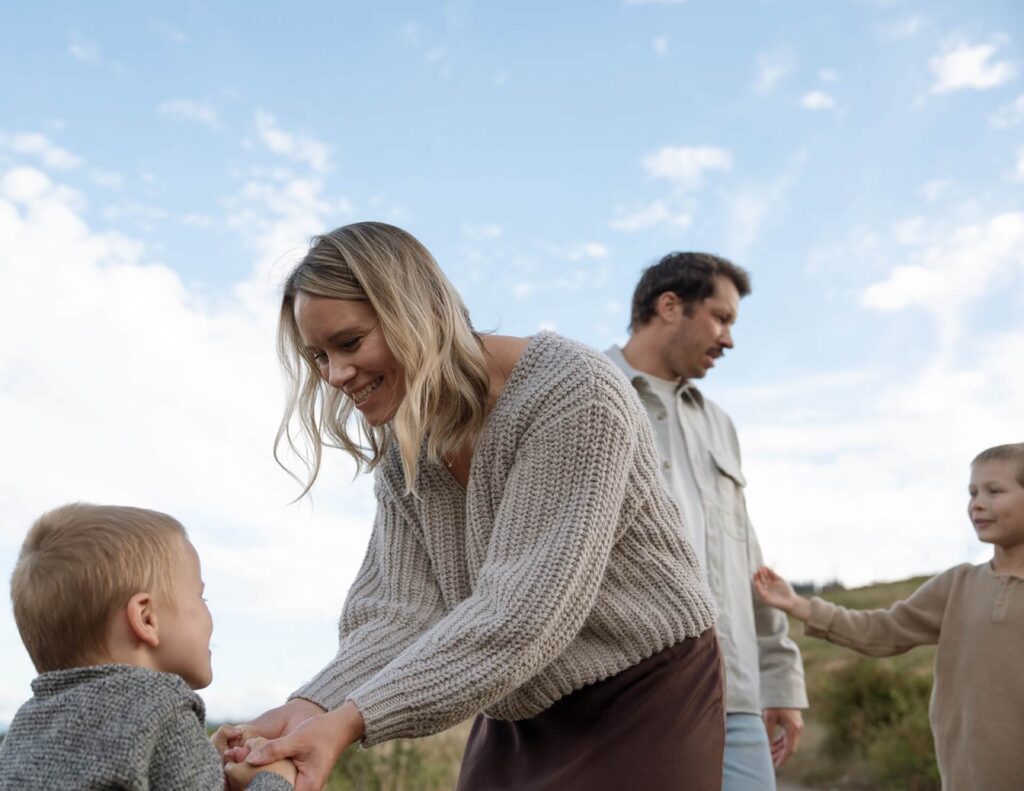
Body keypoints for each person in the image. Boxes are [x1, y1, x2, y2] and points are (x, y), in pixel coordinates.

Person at [222, 221, 723, 791]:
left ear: (418, 312)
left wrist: (349, 721)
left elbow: (524, 613)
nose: (336, 375)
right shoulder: (408, 444)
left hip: (640, 692)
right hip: (514, 700)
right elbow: (400, 611)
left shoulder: (573, 393)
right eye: (318, 356)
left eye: (350, 343)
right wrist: (309, 708)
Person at [606, 252, 808, 791]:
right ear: (669, 306)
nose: (729, 339)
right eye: (720, 318)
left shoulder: (720, 423)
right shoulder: (587, 393)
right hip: (618, 690)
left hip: (732, 693)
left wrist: (779, 680)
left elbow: (745, 554)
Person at [754, 443, 1024, 791]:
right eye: (972, 492)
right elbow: (882, 630)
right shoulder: (957, 585)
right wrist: (801, 606)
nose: (978, 503)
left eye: (994, 491)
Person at [0, 503, 296, 791]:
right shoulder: (163, 709)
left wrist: (204, 764)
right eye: (201, 598)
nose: (209, 615)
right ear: (146, 618)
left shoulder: (24, 729)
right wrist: (275, 779)